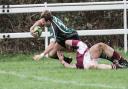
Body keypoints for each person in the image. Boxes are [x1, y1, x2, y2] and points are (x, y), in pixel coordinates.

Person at [57, 40, 128, 69]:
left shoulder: (81, 45)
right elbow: (71, 66)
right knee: (92, 66)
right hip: (89, 63)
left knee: (100, 45)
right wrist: (62, 61)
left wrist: (62, 43)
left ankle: (122, 61)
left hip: (89, 55)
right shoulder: (78, 64)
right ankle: (117, 66)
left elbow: (67, 41)